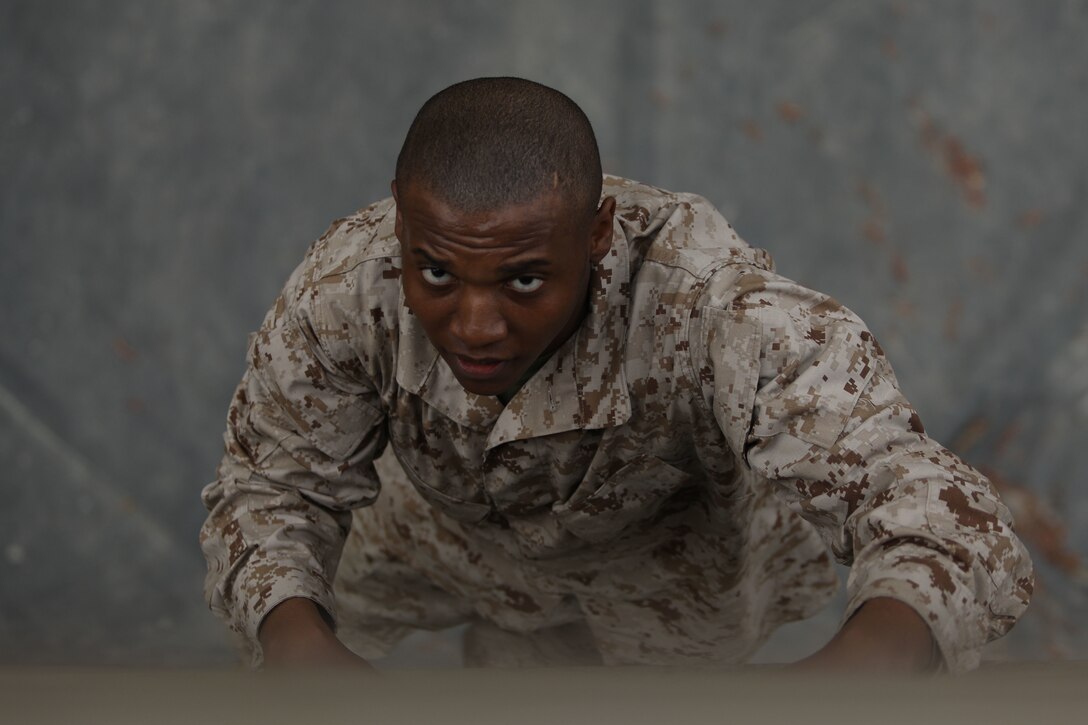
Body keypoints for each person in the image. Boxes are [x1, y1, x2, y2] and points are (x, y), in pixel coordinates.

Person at [199, 77, 1032, 673]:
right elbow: (271, 490)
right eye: (438, 274)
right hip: (437, 538)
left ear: (597, 235)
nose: (475, 325)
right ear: (401, 219)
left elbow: (940, 517)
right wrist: (303, 658)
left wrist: (848, 688)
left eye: (524, 278)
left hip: (665, 579)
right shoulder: (347, 285)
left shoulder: (719, 310)